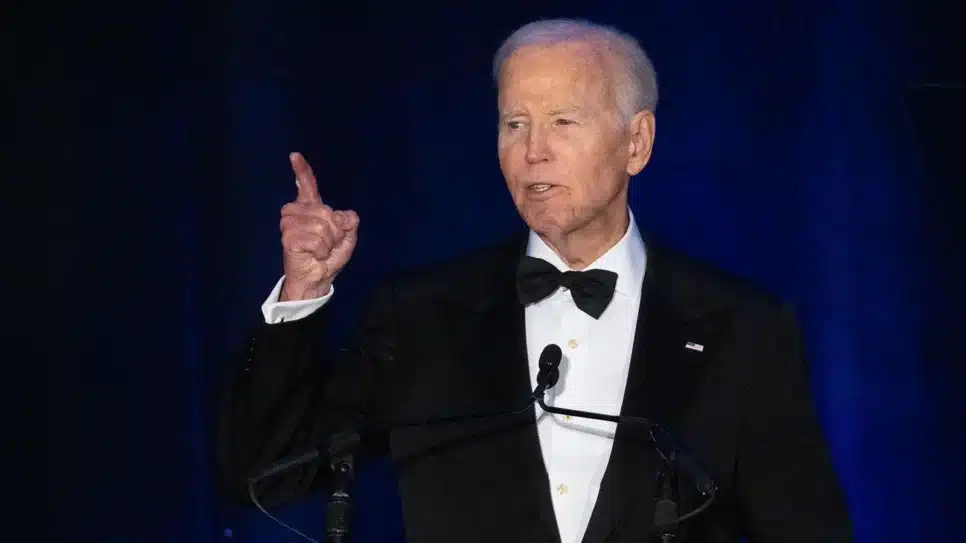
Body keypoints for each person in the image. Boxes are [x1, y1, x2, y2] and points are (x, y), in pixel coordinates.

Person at [215, 18, 852, 543]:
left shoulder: (743, 330)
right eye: (514, 123)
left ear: (637, 142)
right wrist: (302, 293)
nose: (533, 150)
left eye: (563, 122)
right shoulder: (420, 316)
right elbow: (268, 474)